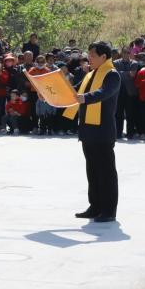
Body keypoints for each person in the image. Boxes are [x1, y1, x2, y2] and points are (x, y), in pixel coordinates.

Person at [54, 41, 121, 222]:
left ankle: (108, 210)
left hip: (103, 130)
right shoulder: (90, 74)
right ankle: (95, 206)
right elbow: (74, 93)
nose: (88, 58)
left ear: (103, 57)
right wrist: (51, 94)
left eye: (92, 55)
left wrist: (86, 97)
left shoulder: (112, 75)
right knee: (92, 170)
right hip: (87, 130)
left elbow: (103, 93)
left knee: (106, 172)